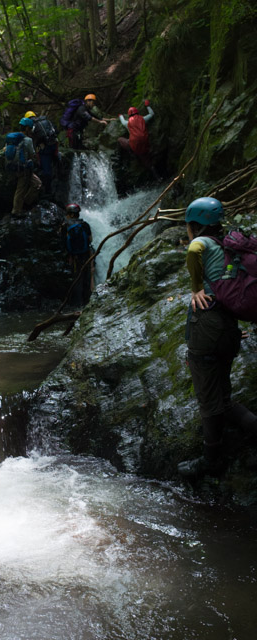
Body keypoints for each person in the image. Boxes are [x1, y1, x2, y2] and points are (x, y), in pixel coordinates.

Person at [177, 197, 257, 478]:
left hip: (208, 326)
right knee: (223, 394)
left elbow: (194, 248)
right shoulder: (228, 244)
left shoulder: (203, 243)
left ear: (194, 225)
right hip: (228, 326)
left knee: (210, 399)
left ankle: (212, 459)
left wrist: (196, 288)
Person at [6, 117, 42, 216]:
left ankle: (24, 204)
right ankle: (17, 210)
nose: (30, 131)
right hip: (24, 169)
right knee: (21, 189)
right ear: (26, 128)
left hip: (13, 167)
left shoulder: (12, 138)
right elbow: (32, 154)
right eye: (30, 128)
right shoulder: (27, 140)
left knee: (37, 184)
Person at [62, 203, 93, 307]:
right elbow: (90, 239)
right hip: (86, 255)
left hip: (73, 257)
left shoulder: (65, 226)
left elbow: (62, 241)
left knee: (76, 278)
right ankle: (87, 302)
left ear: (69, 214)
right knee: (86, 277)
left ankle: (76, 304)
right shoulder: (85, 224)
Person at [117, 101, 158, 178]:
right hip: (146, 144)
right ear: (137, 112)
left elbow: (122, 122)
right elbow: (152, 114)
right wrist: (147, 106)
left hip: (134, 145)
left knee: (120, 139)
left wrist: (120, 116)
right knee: (146, 160)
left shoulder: (128, 123)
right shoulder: (143, 119)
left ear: (129, 115)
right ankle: (156, 176)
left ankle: (120, 158)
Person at [24, 110, 59, 195]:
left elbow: (34, 140)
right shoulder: (46, 121)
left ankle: (48, 191)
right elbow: (56, 130)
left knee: (46, 170)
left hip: (44, 148)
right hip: (54, 144)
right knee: (55, 164)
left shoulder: (33, 125)